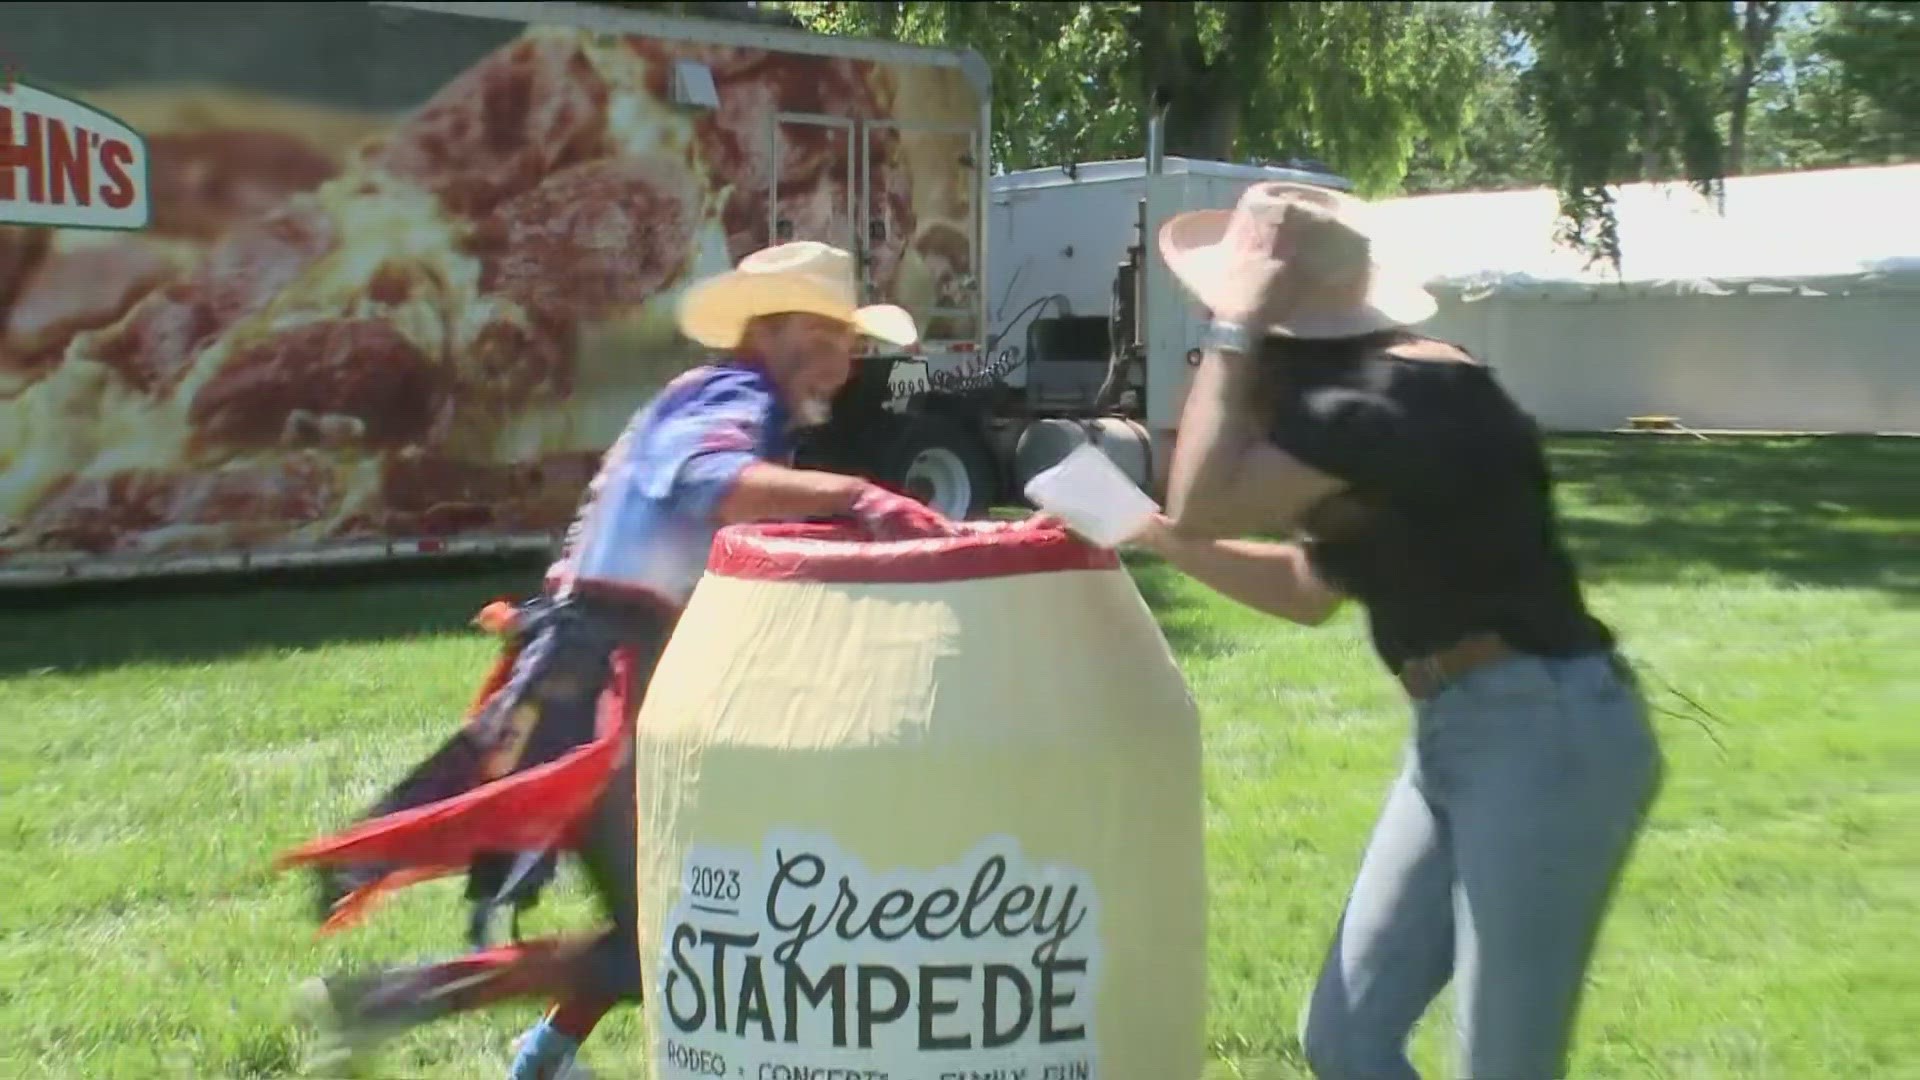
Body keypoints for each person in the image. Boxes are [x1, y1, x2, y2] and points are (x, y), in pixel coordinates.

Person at [287, 241, 965, 1080]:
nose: (848, 360)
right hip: (604, 679)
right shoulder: (730, 395)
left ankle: (539, 1054)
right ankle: (392, 1002)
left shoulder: (724, 400)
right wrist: (858, 498)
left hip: (607, 671)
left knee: (668, 907)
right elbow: (710, 483)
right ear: (785, 328)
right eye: (835, 337)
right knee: (671, 931)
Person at [1132, 181, 1665, 1079]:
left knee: (1506, 1065)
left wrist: (1234, 336)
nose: (1205, 326)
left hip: (1546, 736)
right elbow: (1309, 589)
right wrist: (1144, 537)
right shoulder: (1379, 399)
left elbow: (1201, 500)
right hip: (1465, 728)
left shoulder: (1386, 405)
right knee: (1345, 1040)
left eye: (1213, 309)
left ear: (1271, 310)